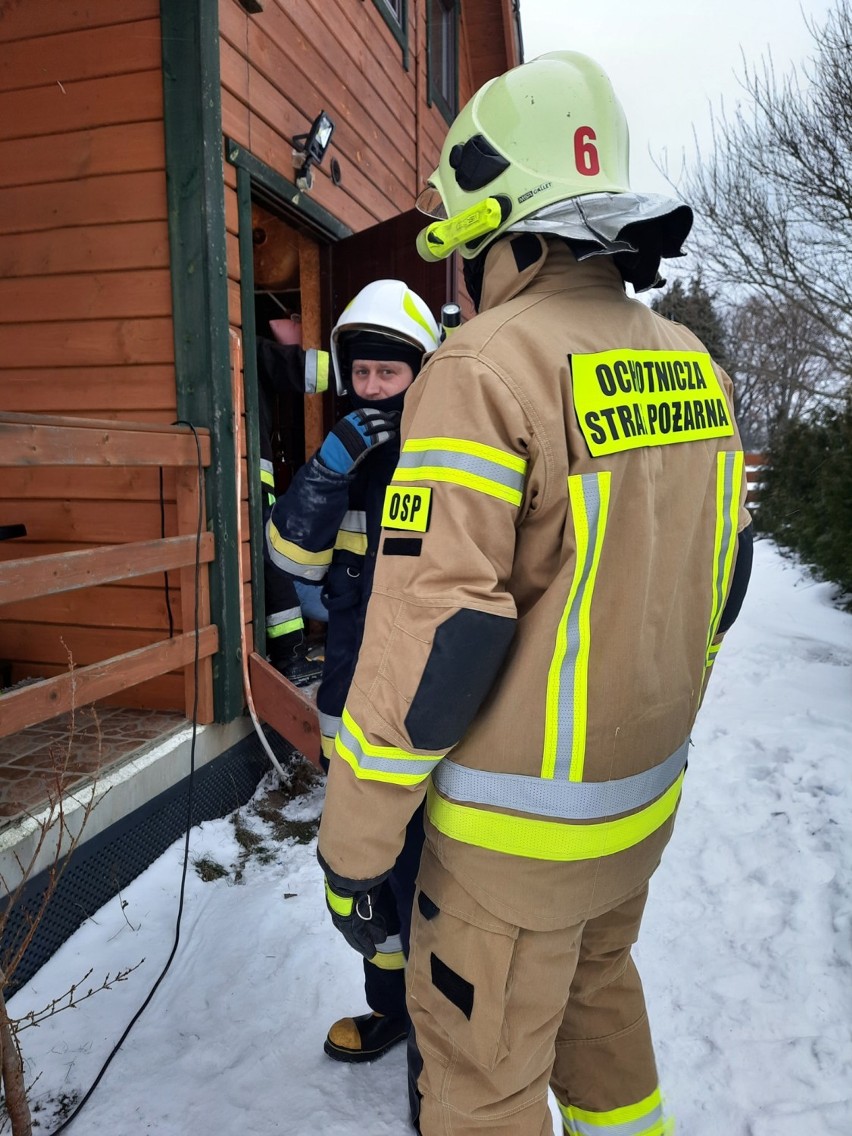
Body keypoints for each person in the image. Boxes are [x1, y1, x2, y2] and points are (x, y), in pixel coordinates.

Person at [316, 51, 754, 1135]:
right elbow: (724, 582)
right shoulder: (690, 361)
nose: (462, 269)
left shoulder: (480, 367)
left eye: (465, 242)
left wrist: (356, 847)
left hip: (509, 859)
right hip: (636, 817)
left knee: (481, 1084)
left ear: (505, 224)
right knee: (602, 1029)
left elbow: (437, 632)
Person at [265, 280, 441, 1063]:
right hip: (349, 708)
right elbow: (290, 555)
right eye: (362, 375)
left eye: (389, 376)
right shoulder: (344, 457)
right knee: (359, 878)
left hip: (428, 707)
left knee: (431, 875)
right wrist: (332, 465)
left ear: (420, 374)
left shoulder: (446, 460)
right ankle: (393, 1008)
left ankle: (442, 1021)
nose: (372, 390)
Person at [256, 316, 329, 682]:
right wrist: (353, 362)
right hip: (254, 475)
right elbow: (304, 371)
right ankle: (290, 656)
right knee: (272, 559)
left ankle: (286, 654)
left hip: (238, 476)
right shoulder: (247, 347)